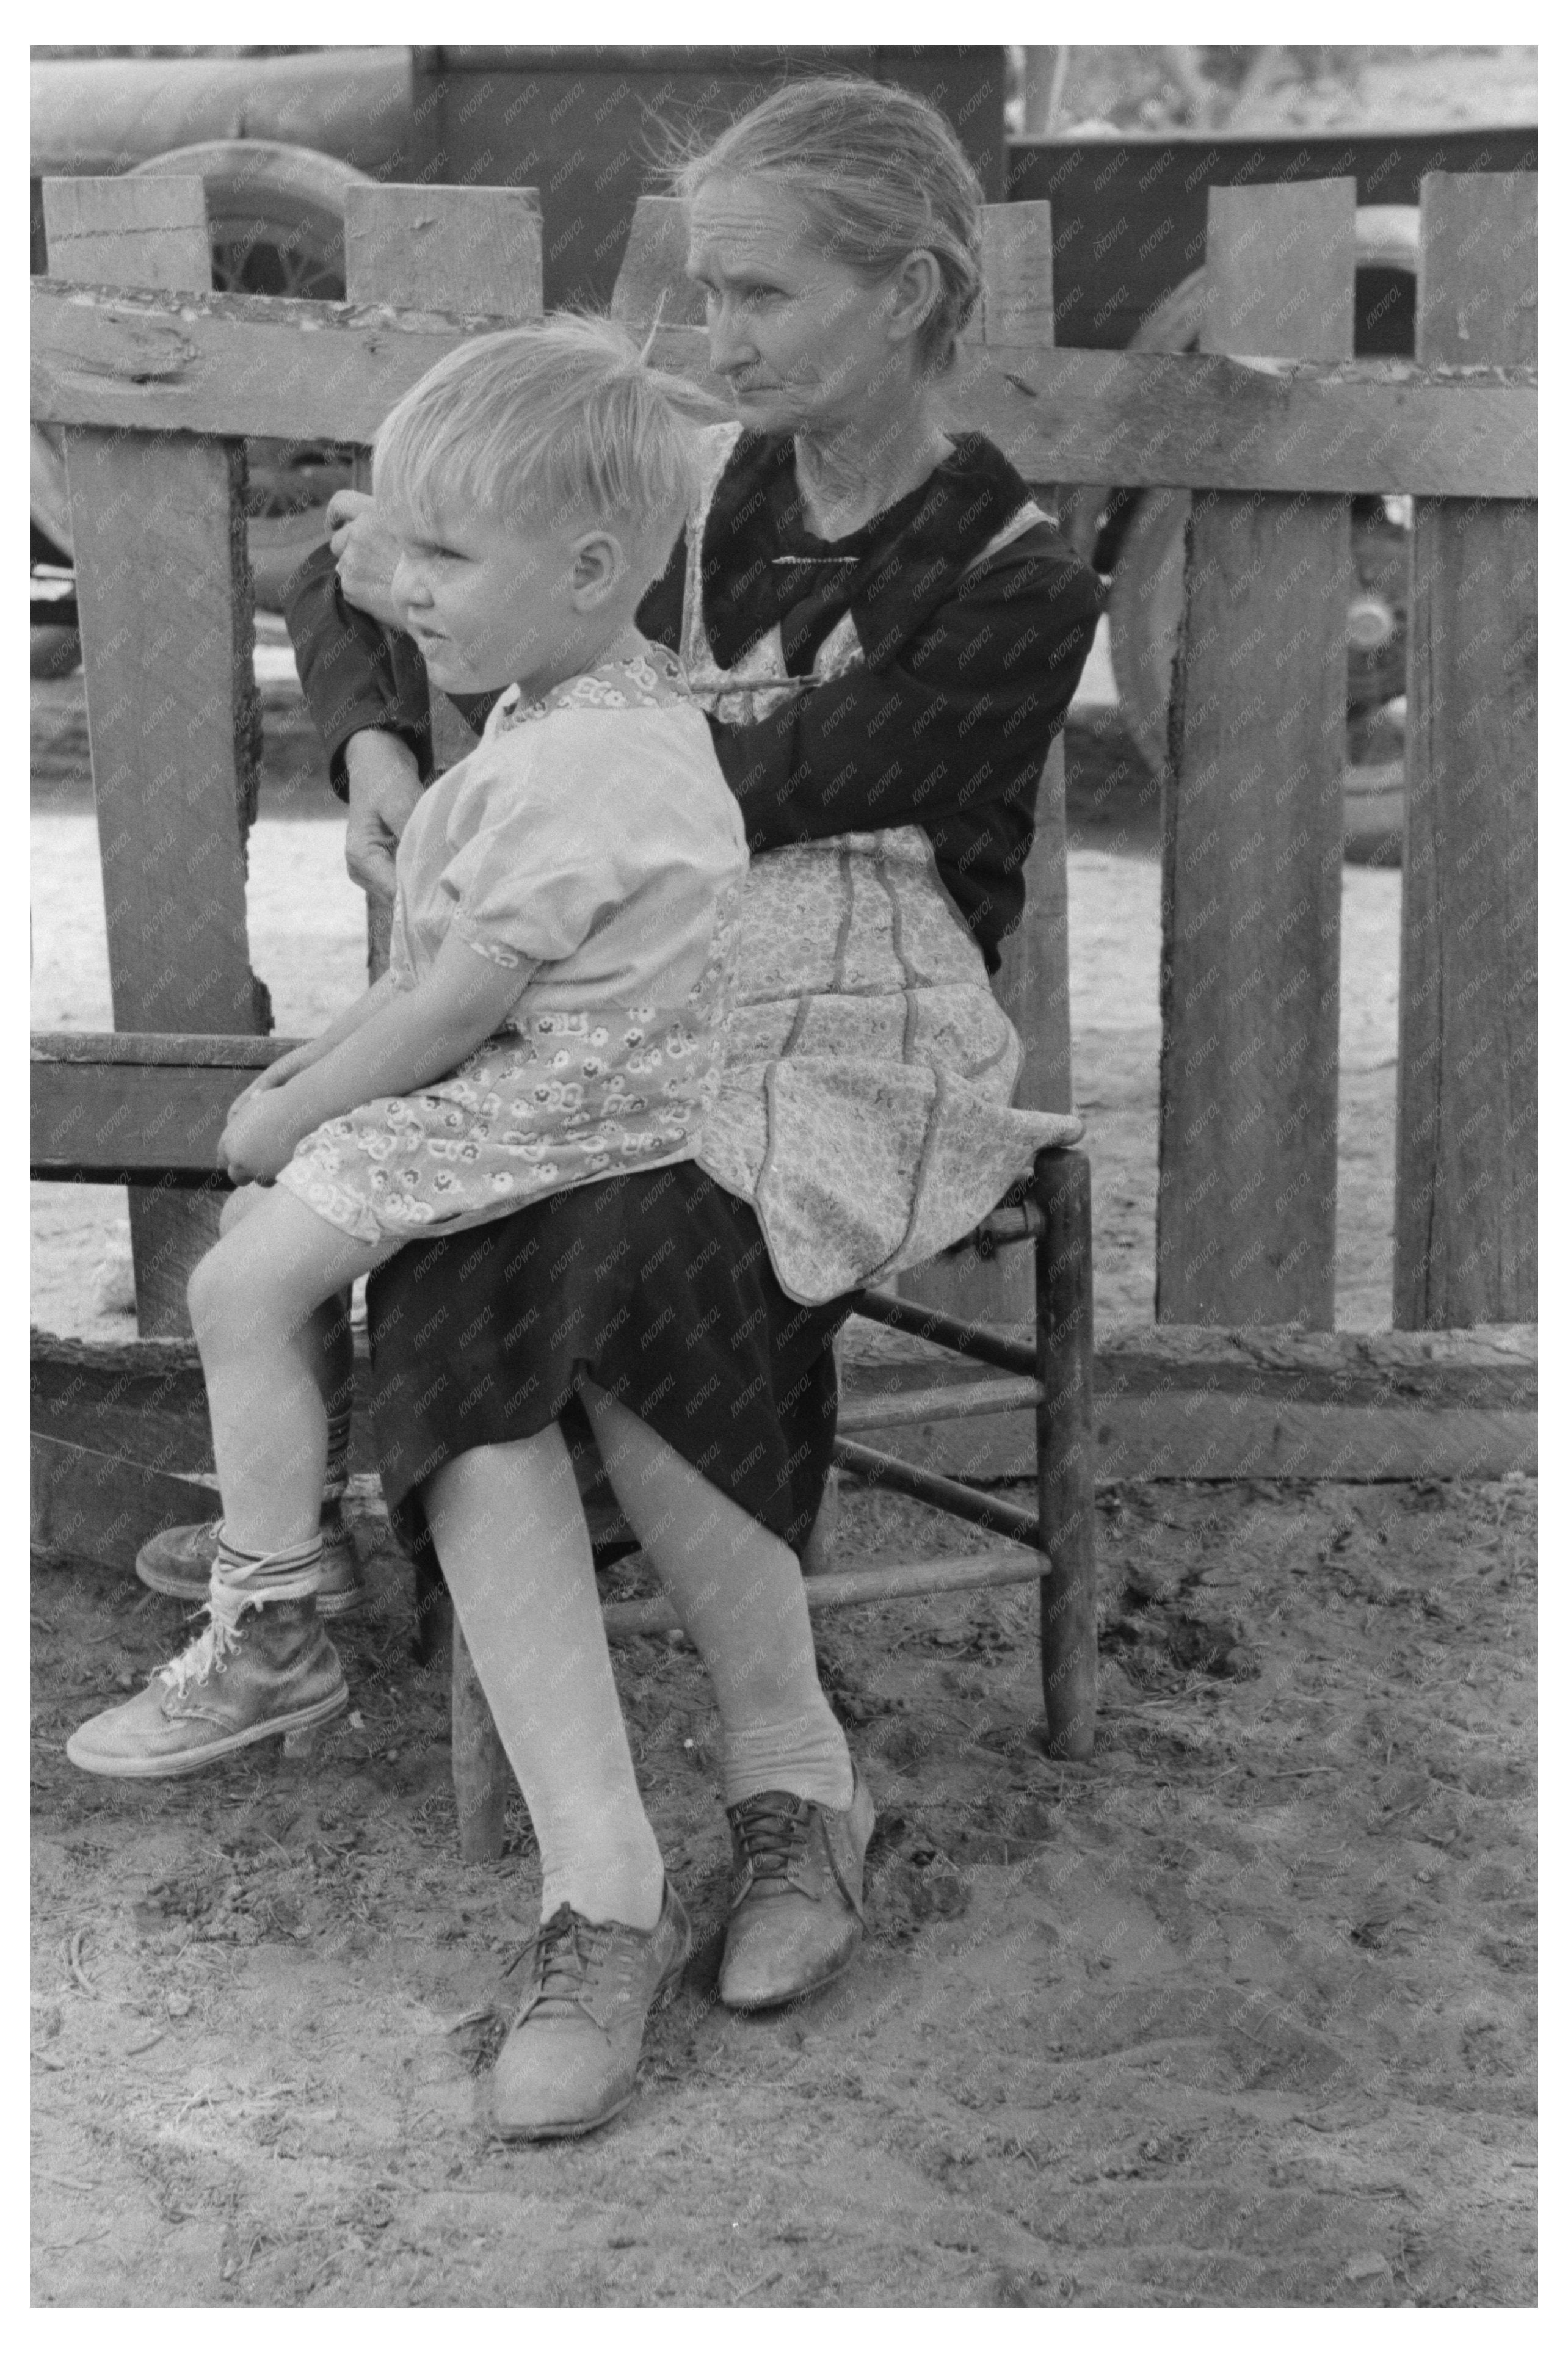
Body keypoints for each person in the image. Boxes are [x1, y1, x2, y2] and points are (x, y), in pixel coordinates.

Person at [118, 76, 1105, 2141]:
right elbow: (373, 549)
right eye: (698, 289)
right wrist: (387, 744)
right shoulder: (677, 475)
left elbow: (718, 799)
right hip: (600, 1006)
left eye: (757, 293)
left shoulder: (1009, 569)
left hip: (851, 1029)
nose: (713, 334)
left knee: (633, 1241)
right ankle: (602, 1883)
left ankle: (790, 1781)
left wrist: (524, 753)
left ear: (909, 291)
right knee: (474, 1240)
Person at [67, 315, 747, 1797]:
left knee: (239, 1274)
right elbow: (448, 970)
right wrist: (304, 1082)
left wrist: (300, 1098)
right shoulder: (573, 700)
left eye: (441, 560)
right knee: (270, 1220)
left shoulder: (579, 763)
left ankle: (271, 1634)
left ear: (587, 569)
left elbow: (450, 1011)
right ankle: (284, 1520)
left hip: (578, 1107)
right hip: (556, 1069)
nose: (402, 589)